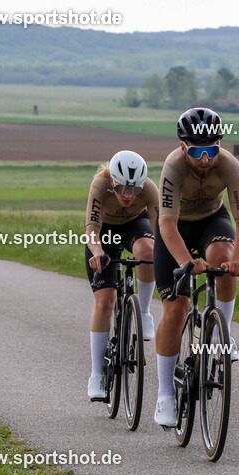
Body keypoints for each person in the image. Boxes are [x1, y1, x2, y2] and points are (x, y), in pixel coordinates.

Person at [153, 107, 239, 427]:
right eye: (197, 151)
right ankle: (165, 395)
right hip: (176, 227)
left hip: (212, 220)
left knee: (224, 258)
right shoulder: (173, 167)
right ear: (183, 147)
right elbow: (166, 224)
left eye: (212, 149)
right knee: (176, 309)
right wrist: (186, 261)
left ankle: (223, 333)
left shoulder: (229, 165)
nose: (206, 158)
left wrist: (238, 261)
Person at [86, 150, 160, 401]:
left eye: (135, 190)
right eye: (122, 189)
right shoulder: (100, 185)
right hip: (104, 232)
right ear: (112, 182)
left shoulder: (149, 189)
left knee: (149, 251)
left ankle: (144, 312)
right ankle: (97, 374)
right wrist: (97, 252)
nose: (129, 195)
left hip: (134, 225)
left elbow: (160, 230)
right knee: (105, 301)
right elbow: (92, 228)